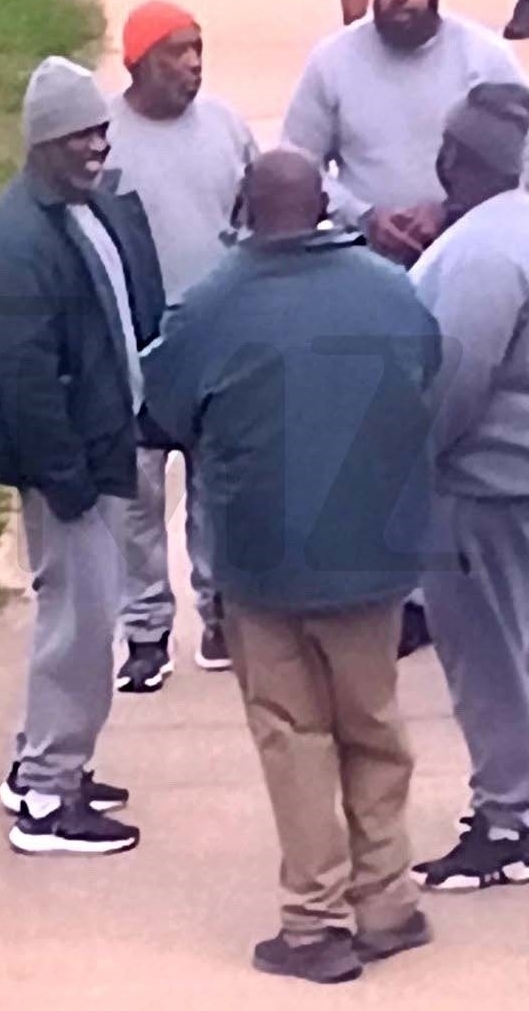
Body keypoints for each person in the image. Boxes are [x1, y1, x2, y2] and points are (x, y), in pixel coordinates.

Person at [143, 149, 441, 984]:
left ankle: (313, 923)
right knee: (374, 726)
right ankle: (387, 903)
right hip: (372, 558)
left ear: (244, 208)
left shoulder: (210, 303)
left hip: (262, 562)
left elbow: (161, 409)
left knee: (294, 735)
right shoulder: (392, 291)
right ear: (324, 211)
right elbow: (427, 373)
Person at [0, 57, 165, 855]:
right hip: (68, 470)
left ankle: (43, 761)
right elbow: (21, 377)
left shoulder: (75, 209)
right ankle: (46, 797)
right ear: (42, 142)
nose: (97, 147)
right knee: (79, 626)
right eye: (79, 137)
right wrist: (66, 478)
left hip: (95, 454)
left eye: (100, 130)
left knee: (79, 620)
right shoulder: (16, 243)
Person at [104, 0, 258, 693]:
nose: (192, 65)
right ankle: (146, 632)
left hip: (215, 345)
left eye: (197, 50)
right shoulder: (101, 137)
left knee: (217, 493)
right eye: (175, 53)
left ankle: (220, 614)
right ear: (138, 63)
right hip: (133, 347)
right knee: (137, 497)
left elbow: (253, 214)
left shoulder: (226, 127)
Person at [410, 82, 529, 891]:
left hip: (484, 490)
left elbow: (452, 383)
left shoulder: (484, 251)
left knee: (488, 660)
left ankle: (507, 819)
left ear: (460, 158)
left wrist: (404, 464)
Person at [284, 0, 525, 266]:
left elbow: (523, 154)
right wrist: (362, 215)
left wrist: (450, 211)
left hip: (471, 257)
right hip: (363, 257)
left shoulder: (486, 56)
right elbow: (299, 160)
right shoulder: (331, 60)